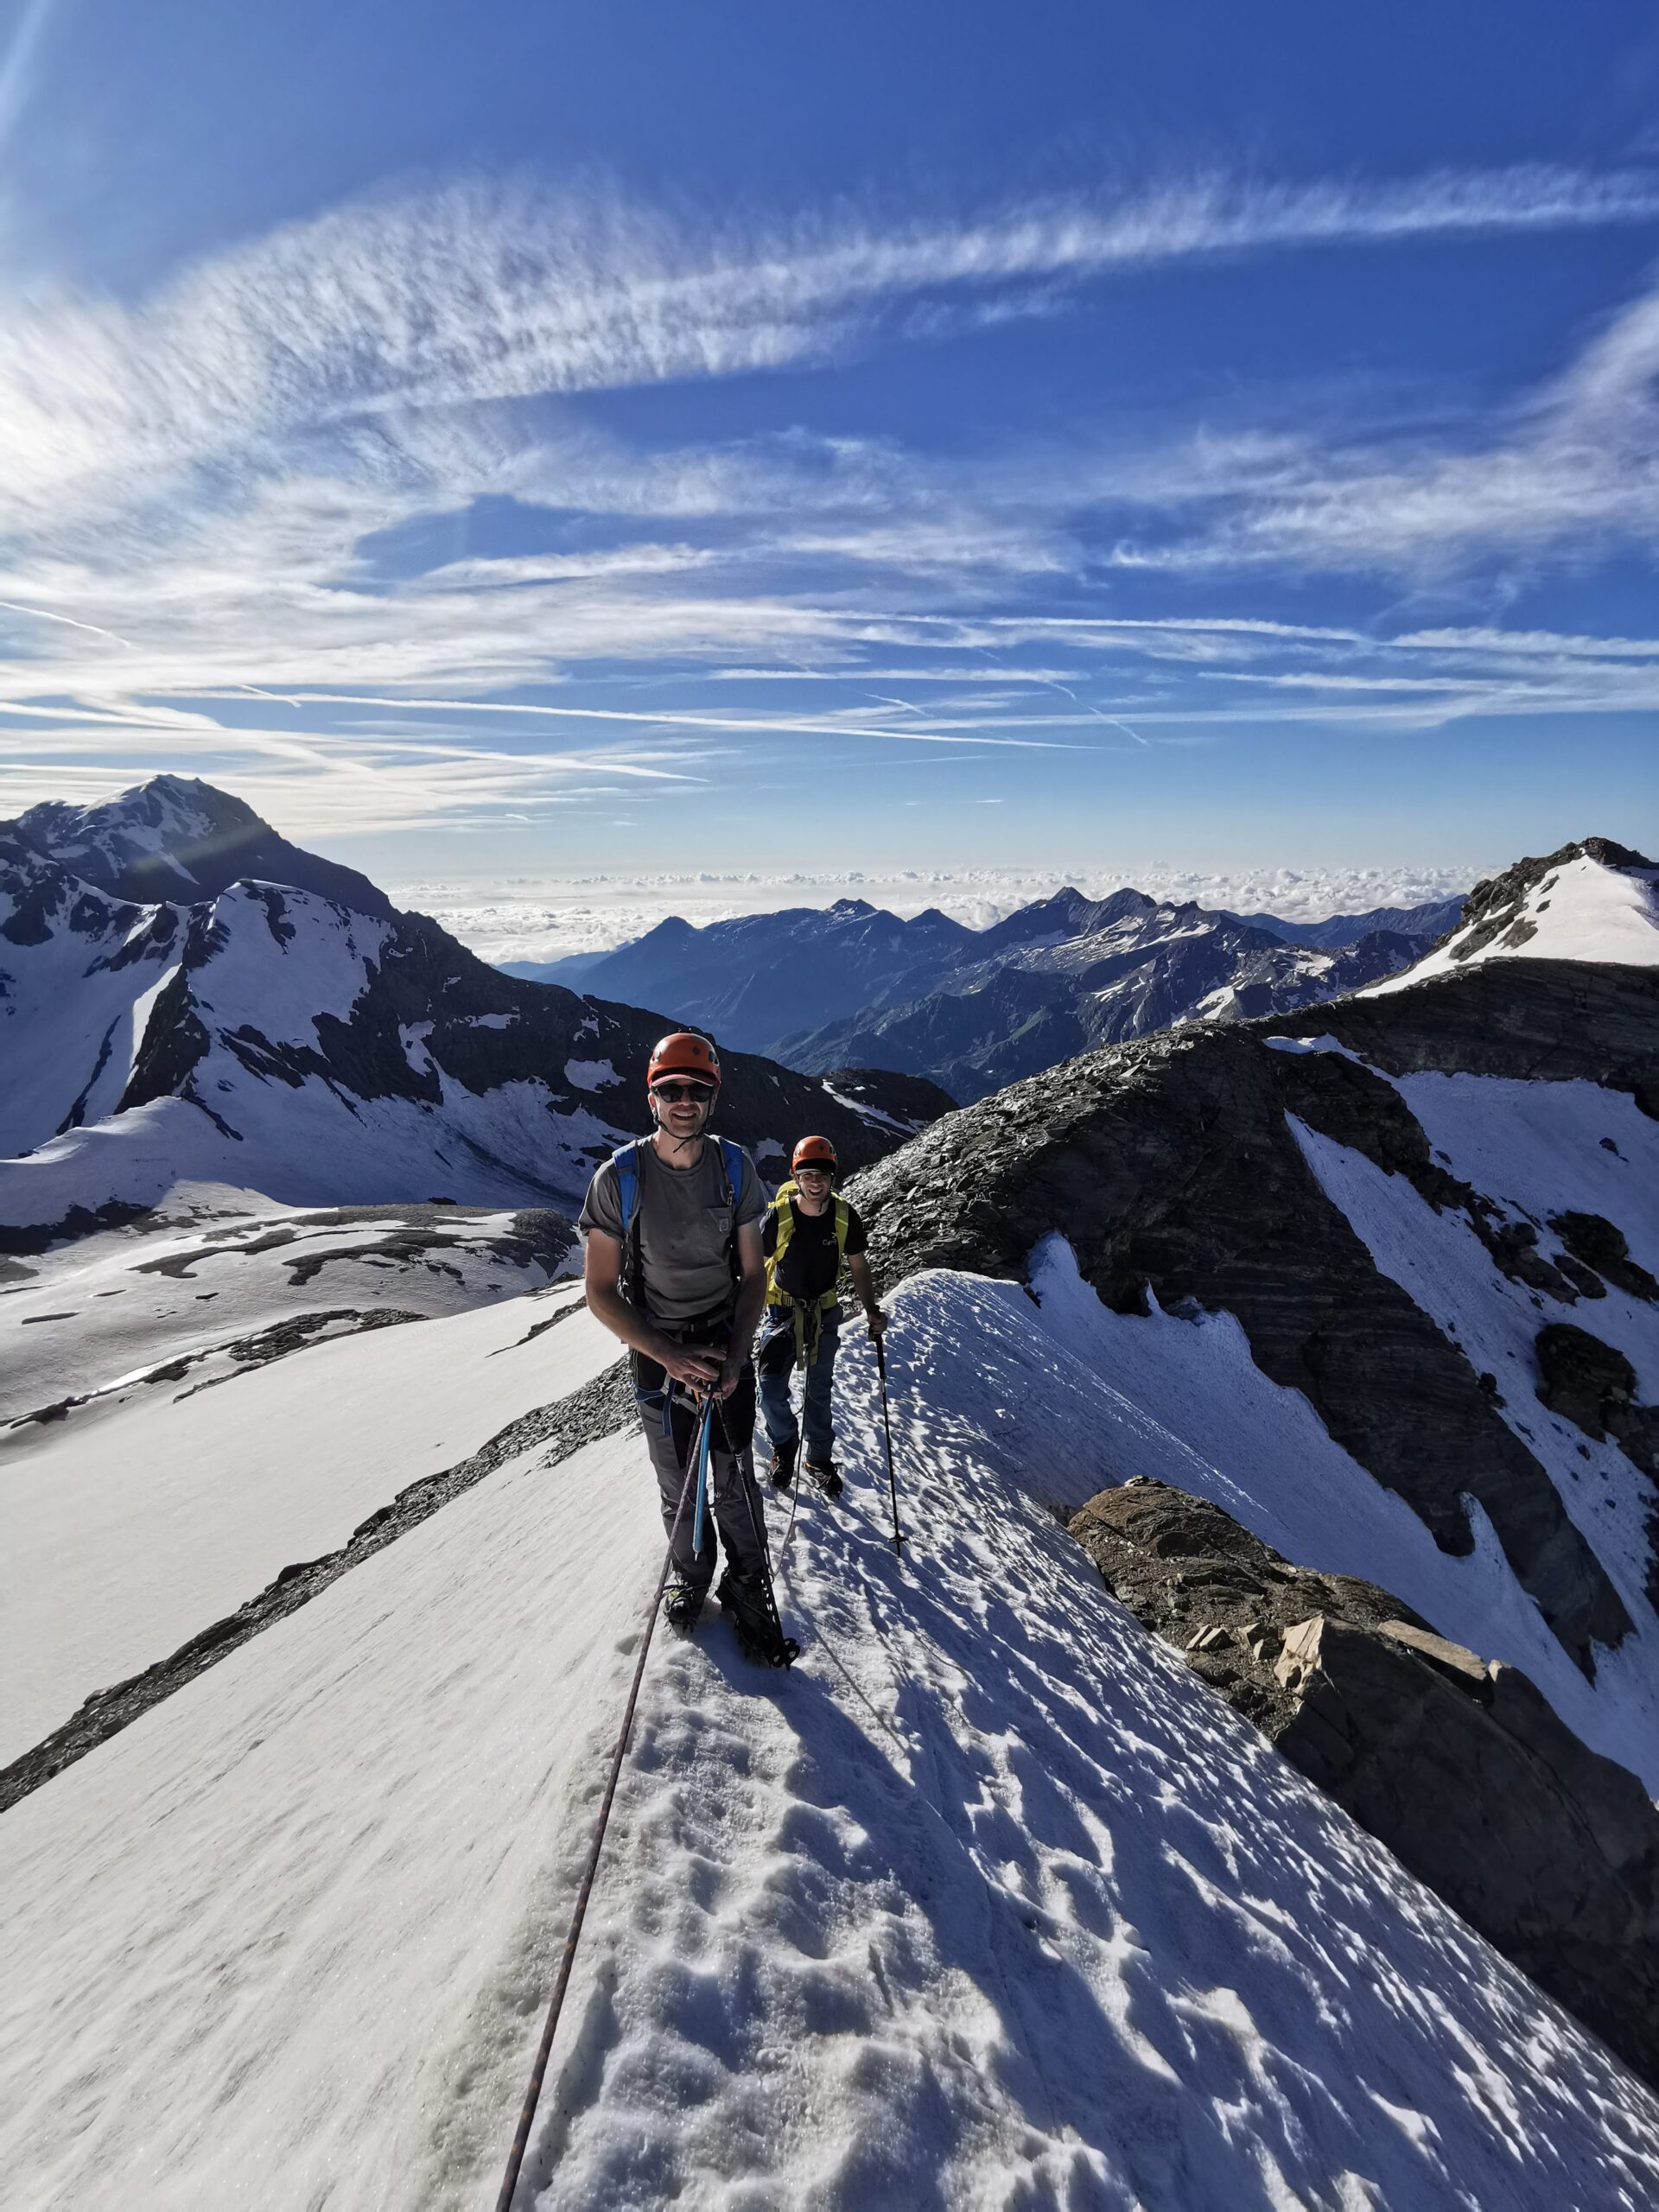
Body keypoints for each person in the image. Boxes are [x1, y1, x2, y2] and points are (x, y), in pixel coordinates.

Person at [579, 1031, 797, 1664]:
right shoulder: (619, 1178)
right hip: (657, 1351)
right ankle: (692, 1574)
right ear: (652, 1097)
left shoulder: (735, 1171)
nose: (684, 1101)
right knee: (679, 1480)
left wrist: (732, 1356)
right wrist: (670, 1356)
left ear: (712, 1098)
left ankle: (748, 1580)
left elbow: (754, 1275)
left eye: (696, 1091)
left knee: (733, 1478)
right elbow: (599, 1290)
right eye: (671, 1090)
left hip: (722, 1342)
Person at [756, 1135, 886, 1499]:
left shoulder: (845, 1216)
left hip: (824, 1311)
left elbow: (858, 1266)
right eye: (808, 1174)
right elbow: (752, 1266)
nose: (816, 1182)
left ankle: (818, 1458)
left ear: (833, 1178)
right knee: (769, 1388)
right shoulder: (778, 1217)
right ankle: (784, 1444)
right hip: (782, 1310)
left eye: (823, 1175)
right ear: (796, 1177)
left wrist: (871, 1309)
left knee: (818, 1390)